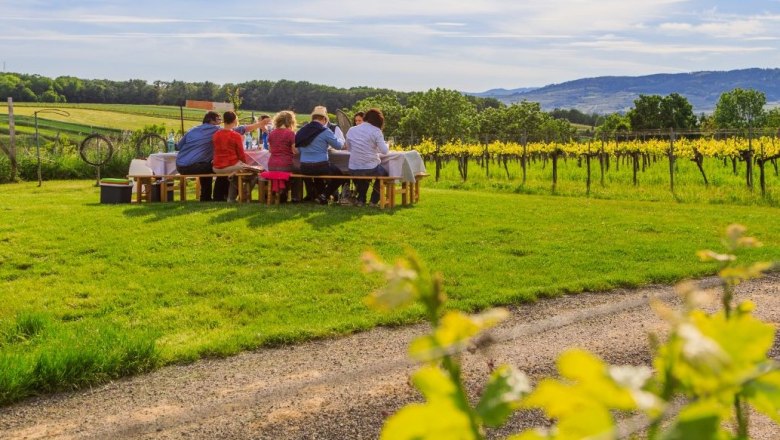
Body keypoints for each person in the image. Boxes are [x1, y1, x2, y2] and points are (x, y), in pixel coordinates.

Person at [175, 111, 264, 202]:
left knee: (210, 166)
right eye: (218, 119)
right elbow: (237, 129)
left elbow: (179, 146)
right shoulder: (216, 130)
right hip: (192, 166)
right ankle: (218, 196)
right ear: (211, 121)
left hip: (179, 165)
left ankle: (207, 197)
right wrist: (260, 124)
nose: (221, 122)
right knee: (222, 166)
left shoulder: (192, 130)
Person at [295, 105, 344, 204]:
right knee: (340, 176)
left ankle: (319, 196)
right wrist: (341, 140)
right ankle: (324, 195)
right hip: (320, 165)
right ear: (324, 119)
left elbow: (298, 149)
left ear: (312, 118)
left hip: (304, 167)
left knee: (318, 176)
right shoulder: (325, 130)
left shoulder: (301, 131)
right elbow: (338, 146)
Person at [346, 108, 390, 207]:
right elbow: (385, 151)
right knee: (384, 174)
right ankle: (373, 201)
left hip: (353, 168)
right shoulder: (376, 131)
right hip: (370, 167)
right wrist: (387, 145)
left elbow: (349, 148)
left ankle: (361, 200)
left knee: (363, 175)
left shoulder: (352, 130)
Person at [212, 111, 257, 201]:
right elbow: (241, 154)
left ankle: (232, 198)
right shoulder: (236, 136)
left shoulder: (216, 134)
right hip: (229, 166)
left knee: (236, 173)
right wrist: (245, 165)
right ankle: (243, 196)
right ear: (235, 120)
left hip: (216, 167)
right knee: (254, 174)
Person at [267, 110, 299, 202]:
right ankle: (295, 197)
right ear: (291, 121)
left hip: (272, 164)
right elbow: (294, 151)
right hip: (285, 164)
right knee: (298, 174)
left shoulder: (272, 133)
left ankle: (281, 192)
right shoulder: (290, 133)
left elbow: (270, 150)